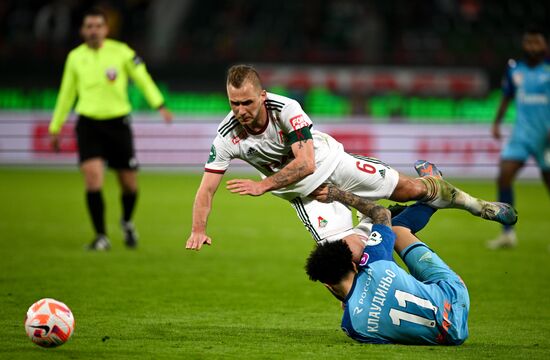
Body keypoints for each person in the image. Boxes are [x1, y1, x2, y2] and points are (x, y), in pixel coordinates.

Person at [186, 64, 516, 250]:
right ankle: (381, 225)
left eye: (247, 102)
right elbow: (206, 189)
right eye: (234, 103)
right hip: (307, 196)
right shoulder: (227, 134)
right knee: (344, 259)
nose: (240, 110)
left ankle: (478, 206)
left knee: (413, 189)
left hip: (335, 164)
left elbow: (306, 163)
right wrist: (198, 228)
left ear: (262, 95)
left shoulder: (286, 109)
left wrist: (264, 186)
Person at [49, 8, 173, 250]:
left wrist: (159, 103)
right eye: (89, 26)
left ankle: (126, 221)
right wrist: (56, 127)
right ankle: (101, 236)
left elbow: (142, 78)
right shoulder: (75, 57)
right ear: (83, 30)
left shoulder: (122, 52)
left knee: (129, 185)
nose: (94, 31)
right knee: (93, 179)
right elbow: (66, 94)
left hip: (118, 124)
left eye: (98, 26)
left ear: (106, 29)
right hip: (88, 123)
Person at [305, 181, 469, 345]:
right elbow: (381, 213)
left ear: (328, 285)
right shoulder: (374, 262)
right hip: (453, 296)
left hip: (449, 338)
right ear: (353, 264)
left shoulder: (352, 327)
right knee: (397, 228)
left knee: (395, 276)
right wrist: (339, 195)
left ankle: (433, 194)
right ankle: (436, 191)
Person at [488, 27, 550, 249]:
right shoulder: (515, 69)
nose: (532, 47)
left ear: (545, 46)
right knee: (504, 176)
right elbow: (507, 97)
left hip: (547, 136)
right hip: (522, 135)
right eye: (529, 42)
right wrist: (496, 122)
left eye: (537, 42)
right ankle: (507, 233)